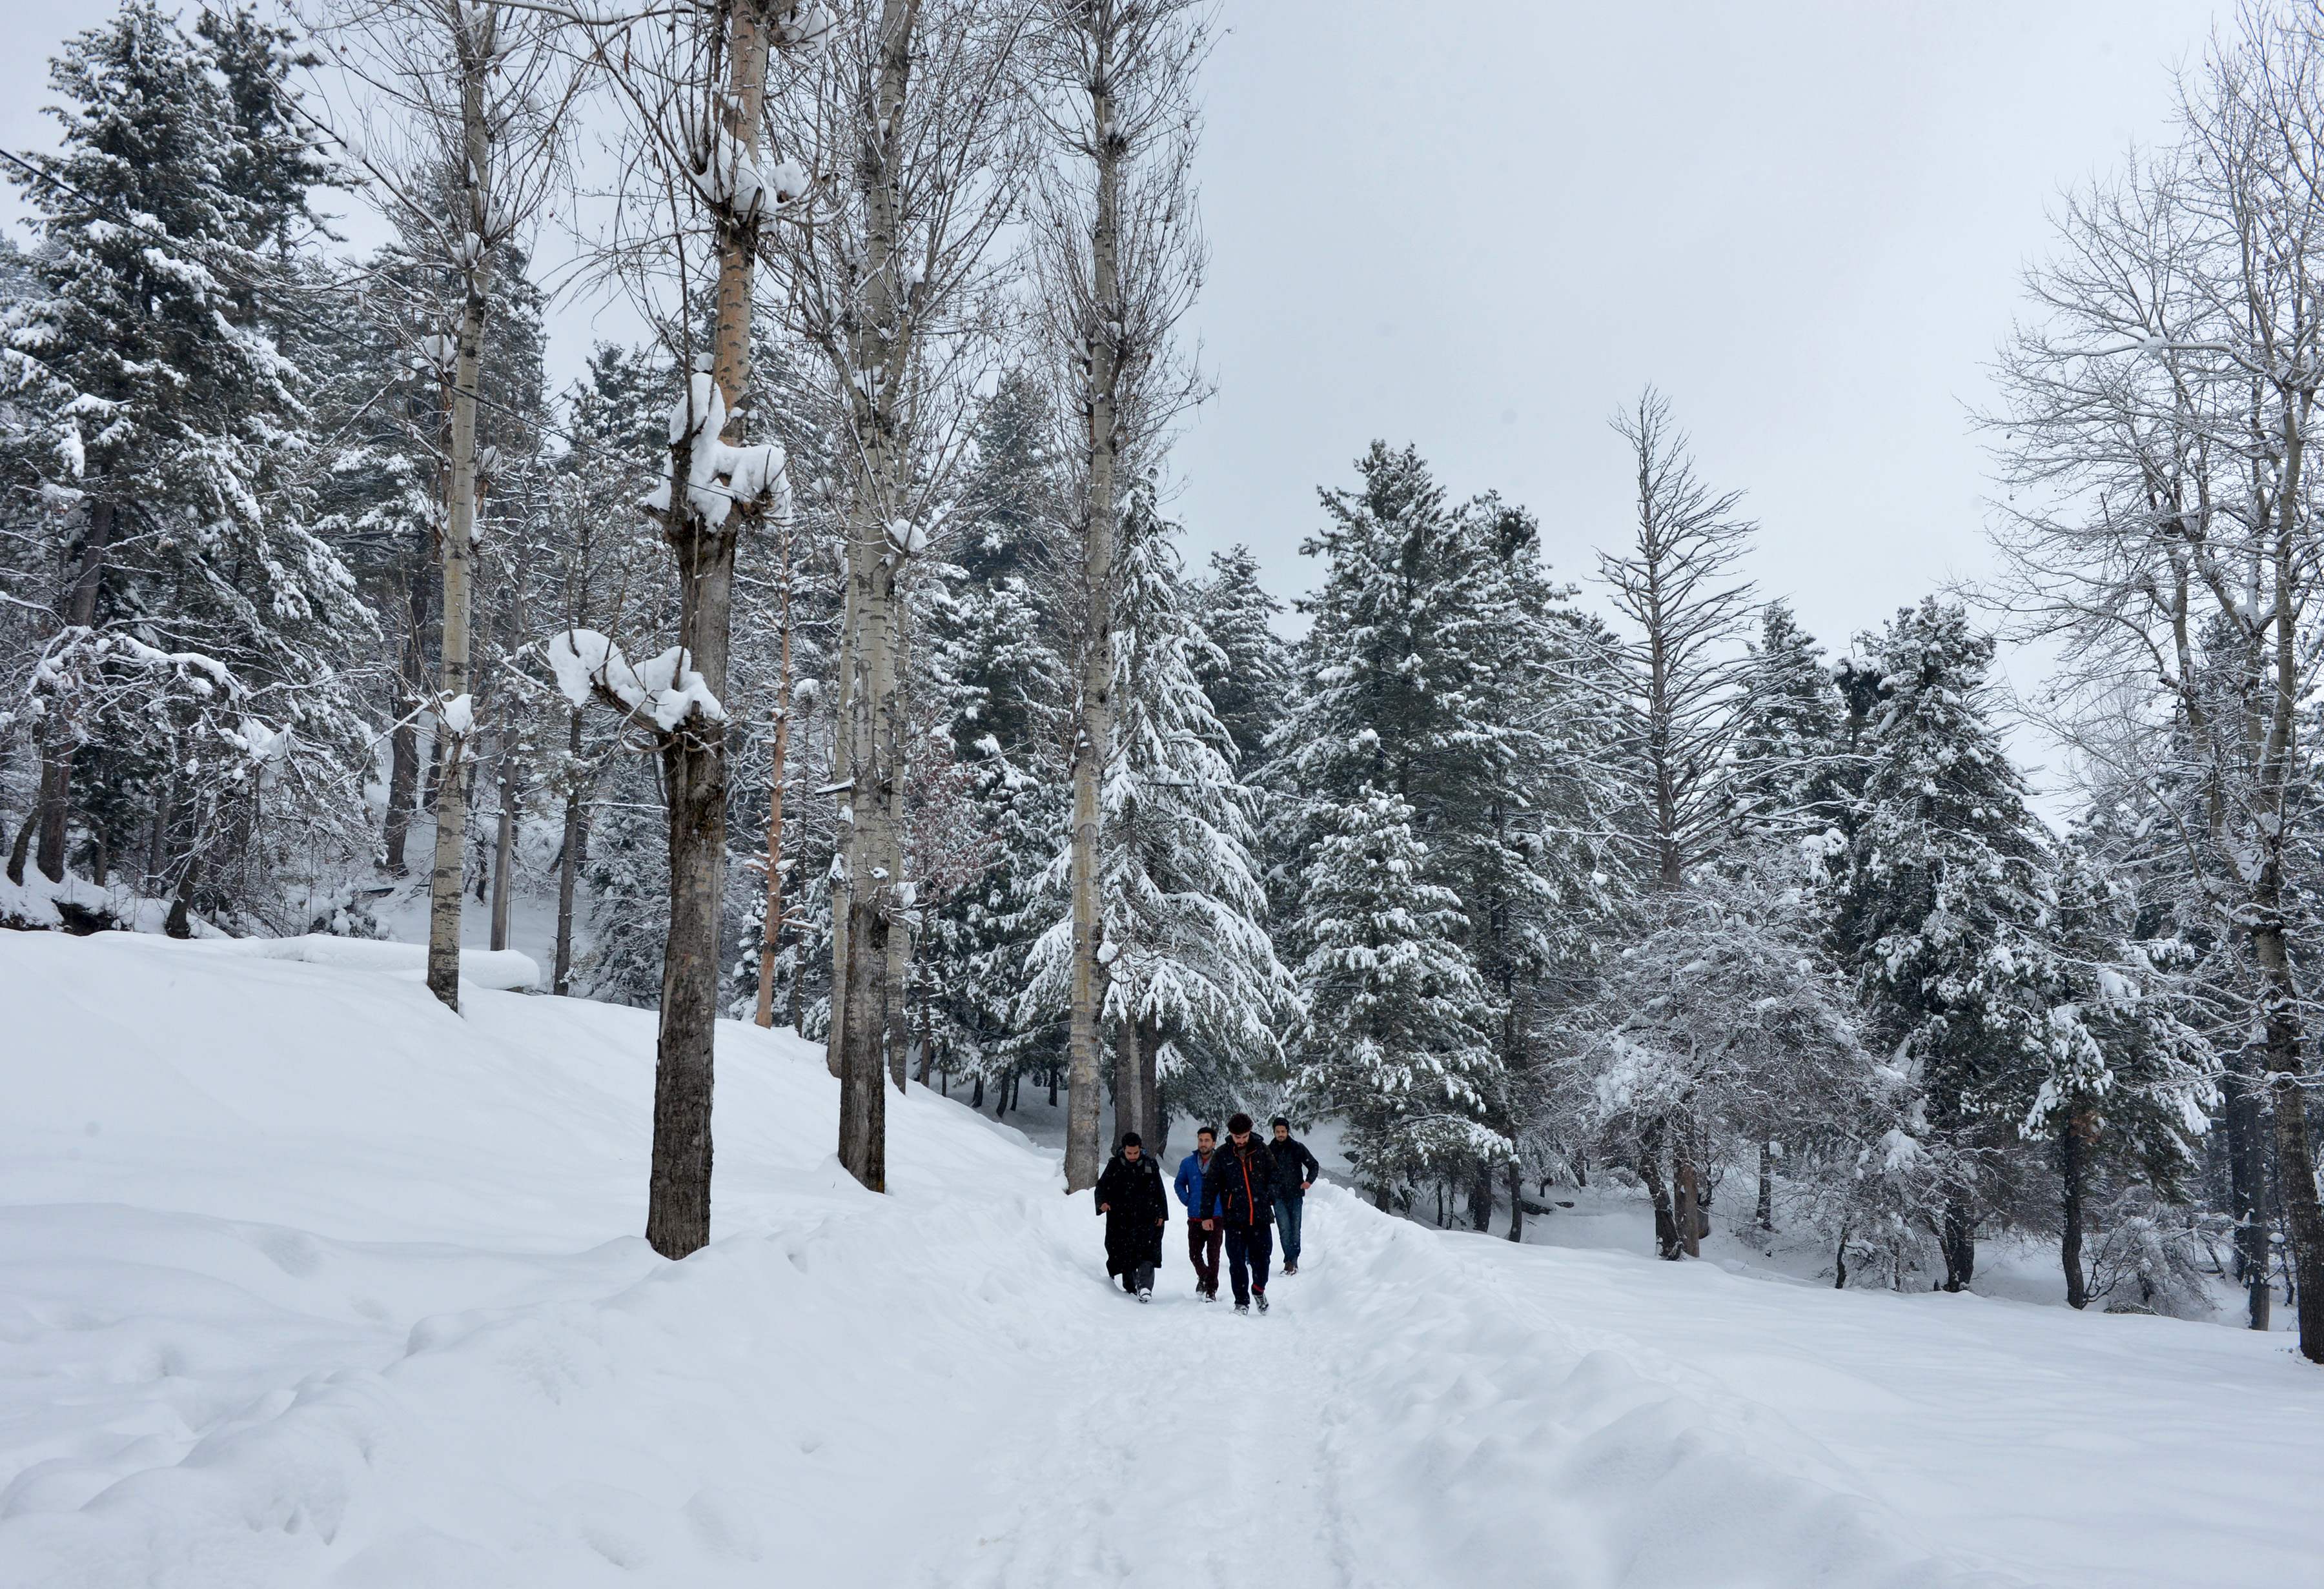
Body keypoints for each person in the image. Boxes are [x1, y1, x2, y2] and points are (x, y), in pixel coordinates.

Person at [1205, 1112, 1276, 1313]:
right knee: (1236, 1261)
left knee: (1263, 1259)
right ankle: (1241, 1302)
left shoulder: (1261, 1150)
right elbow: (1210, 1186)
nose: (1242, 1141)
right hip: (1234, 1218)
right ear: (1231, 1135)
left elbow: (1275, 1176)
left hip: (1260, 1216)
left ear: (1250, 1132)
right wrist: (1206, 1215)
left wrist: (1270, 1195)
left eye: (1245, 1136)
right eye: (1238, 1137)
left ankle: (1258, 1289)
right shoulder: (1222, 1154)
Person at [1095, 1131, 1168, 1301]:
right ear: (1124, 1150)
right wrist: (1102, 1203)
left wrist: (1161, 1214)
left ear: (1140, 1149)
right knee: (1125, 1253)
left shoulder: (1150, 1164)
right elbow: (1102, 1187)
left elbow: (1159, 1191)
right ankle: (1130, 1286)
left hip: (1146, 1217)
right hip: (1121, 1219)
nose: (1133, 1156)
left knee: (1147, 1252)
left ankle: (1145, 1287)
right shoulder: (1114, 1165)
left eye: (1136, 1153)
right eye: (1130, 1153)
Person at [1173, 1126, 1225, 1301]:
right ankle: (1204, 1276)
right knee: (1194, 1254)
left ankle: (1211, 1290)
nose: (1203, 1144)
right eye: (1201, 1140)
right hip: (1195, 1216)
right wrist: (1187, 1200)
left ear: (1214, 1142)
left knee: (1214, 1254)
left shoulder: (1221, 1161)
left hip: (1216, 1215)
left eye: (1207, 1140)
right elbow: (1179, 1183)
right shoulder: (1188, 1163)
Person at [1268, 1116, 1322, 1274]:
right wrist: (1268, 1191)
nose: (1280, 1134)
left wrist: (1309, 1181)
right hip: (1277, 1196)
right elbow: (1262, 1173)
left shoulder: (1297, 1148)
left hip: (1295, 1195)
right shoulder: (1269, 1150)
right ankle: (1289, 1260)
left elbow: (1313, 1165)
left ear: (1288, 1131)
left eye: (1283, 1131)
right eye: (1278, 1132)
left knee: (1295, 1228)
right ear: (1274, 1132)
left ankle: (1294, 1259)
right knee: (1284, 1229)